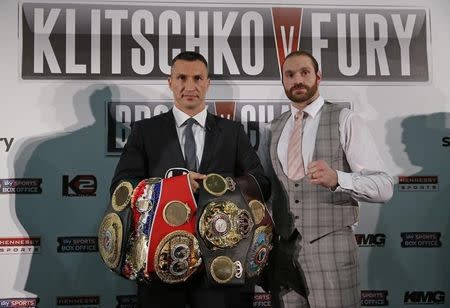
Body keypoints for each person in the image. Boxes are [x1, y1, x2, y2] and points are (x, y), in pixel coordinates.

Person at [110, 51, 270, 308]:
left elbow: (261, 183)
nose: (190, 86)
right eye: (182, 77)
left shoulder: (232, 132)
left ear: (208, 83)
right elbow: (121, 188)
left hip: (220, 264)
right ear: (170, 82)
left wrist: (222, 188)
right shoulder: (145, 132)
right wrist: (175, 188)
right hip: (160, 265)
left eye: (198, 78)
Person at [266, 50, 394, 308]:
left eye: (305, 72)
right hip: (283, 252)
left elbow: (384, 187)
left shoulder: (345, 119)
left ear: (318, 77)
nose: (297, 80)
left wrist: (339, 178)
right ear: (283, 81)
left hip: (332, 248)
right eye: (290, 75)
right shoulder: (276, 127)